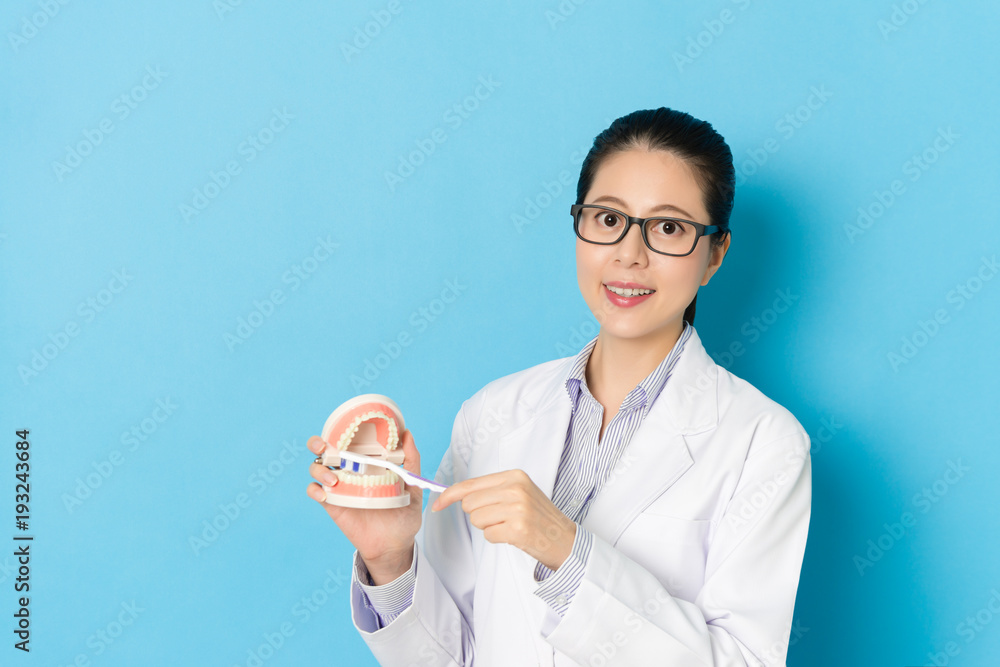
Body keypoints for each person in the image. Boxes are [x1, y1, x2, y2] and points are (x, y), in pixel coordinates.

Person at [306, 107, 812, 666]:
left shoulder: (764, 444)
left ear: (715, 254)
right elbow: (454, 655)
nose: (629, 254)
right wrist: (390, 557)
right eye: (608, 218)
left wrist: (567, 551)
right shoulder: (492, 413)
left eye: (668, 228)